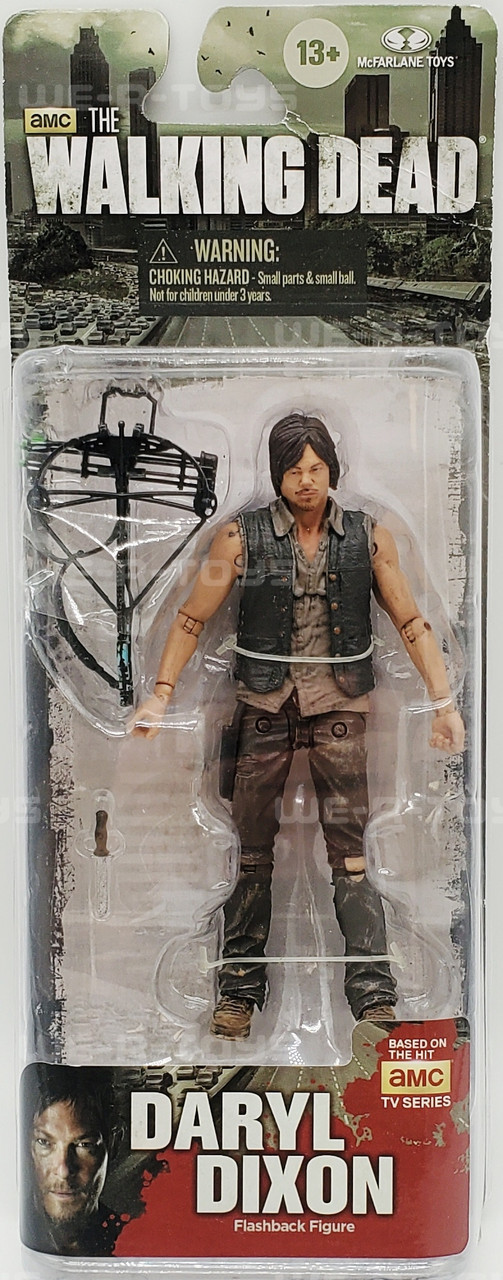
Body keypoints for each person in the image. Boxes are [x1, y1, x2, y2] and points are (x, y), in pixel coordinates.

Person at [131, 413, 465, 1040]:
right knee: (250, 851)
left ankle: (374, 996)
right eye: (293, 470)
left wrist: (444, 702)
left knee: (353, 854)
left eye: (316, 468)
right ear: (277, 475)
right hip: (264, 706)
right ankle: (237, 991)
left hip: (341, 707)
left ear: (333, 469)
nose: (306, 480)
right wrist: (161, 695)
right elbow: (191, 618)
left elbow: (411, 621)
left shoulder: (369, 538)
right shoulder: (239, 538)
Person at [23, 1065, 122, 1256]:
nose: (64, 1170)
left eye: (84, 1145)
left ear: (114, 1144)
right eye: (44, 1142)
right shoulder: (11, 1233)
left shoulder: (130, 1237)